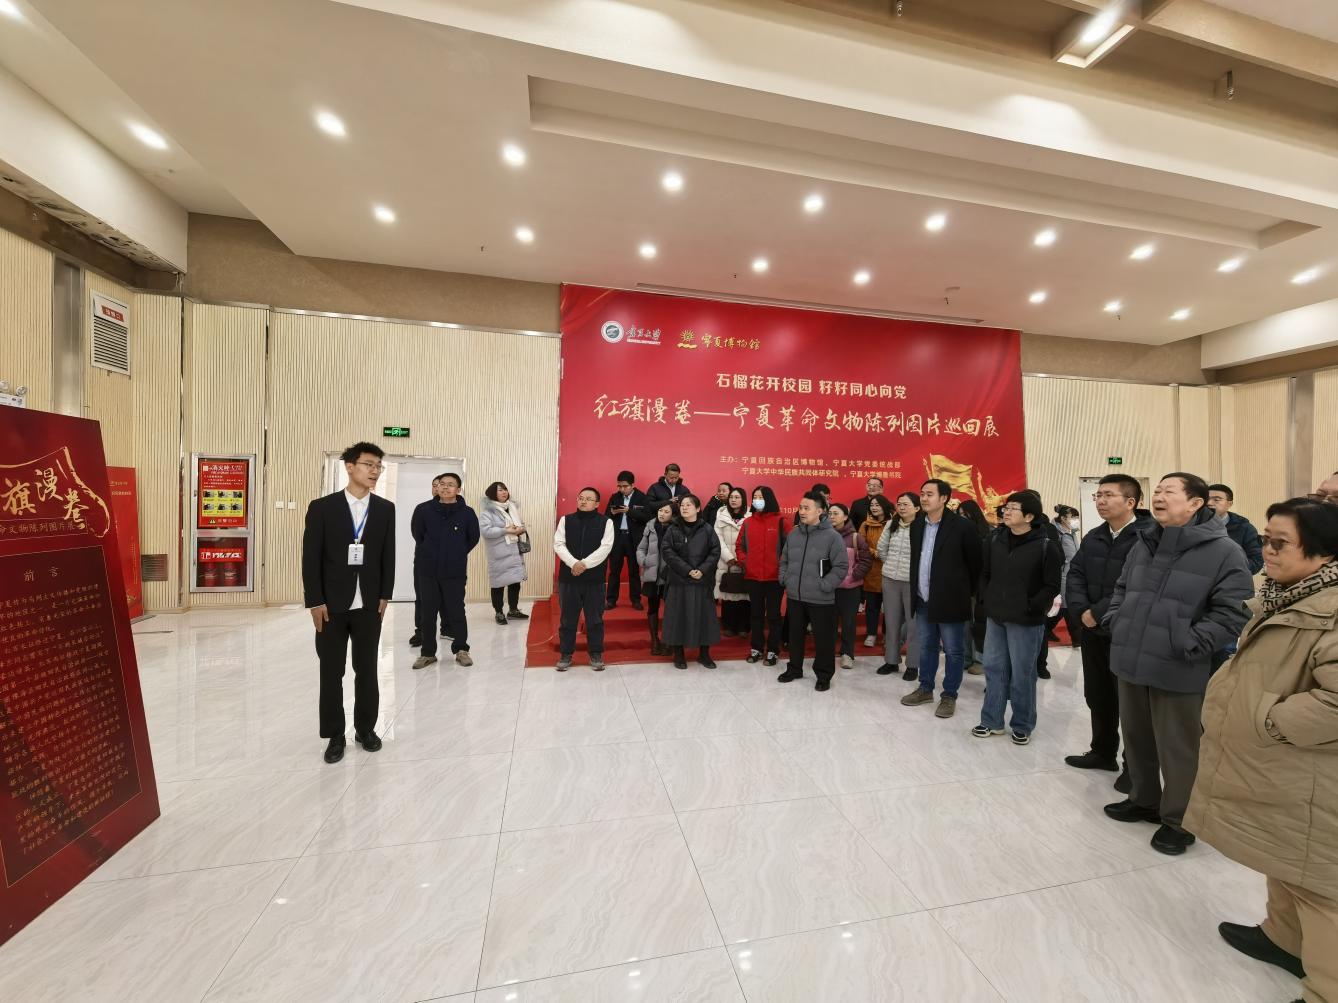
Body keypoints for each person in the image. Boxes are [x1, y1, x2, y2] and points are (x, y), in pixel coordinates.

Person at [1185, 498, 1338, 1003]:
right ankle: (1283, 939)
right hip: (1282, 766)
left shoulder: (1331, 609)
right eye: (1266, 540)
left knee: (1319, 886)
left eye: (1280, 543)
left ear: (1323, 551)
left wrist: (1268, 721)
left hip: (1312, 771)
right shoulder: (1286, 594)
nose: (1266, 550)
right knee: (1284, 859)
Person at [1101, 472, 1253, 856]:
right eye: (1157, 490)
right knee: (1136, 739)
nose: (1159, 496)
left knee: (1179, 748)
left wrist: (1189, 643)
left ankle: (1179, 821)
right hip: (1131, 657)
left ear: (1196, 503)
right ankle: (1144, 800)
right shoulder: (1145, 541)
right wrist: (1117, 620)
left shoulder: (1224, 551)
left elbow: (1232, 611)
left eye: (1169, 491)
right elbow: (1122, 587)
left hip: (1177, 665)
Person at [302, 442, 394, 764]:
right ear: (350, 467)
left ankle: (365, 730)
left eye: (378, 466)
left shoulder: (384, 509)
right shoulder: (322, 508)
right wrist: (315, 601)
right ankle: (335, 735)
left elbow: (388, 555)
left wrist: (384, 594)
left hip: (369, 604)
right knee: (331, 672)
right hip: (331, 605)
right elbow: (310, 558)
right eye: (369, 464)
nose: (375, 471)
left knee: (367, 669)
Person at [1064, 475, 1152, 789]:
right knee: (1098, 694)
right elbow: (1075, 573)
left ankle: (1135, 768)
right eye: (1098, 495)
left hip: (1127, 632)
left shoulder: (1149, 537)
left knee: (1131, 703)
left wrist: (1097, 612)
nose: (1100, 501)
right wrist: (1081, 610)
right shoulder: (1095, 536)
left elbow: (1138, 584)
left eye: (1108, 495)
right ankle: (1102, 752)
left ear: (1131, 502)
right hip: (1093, 633)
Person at [972, 491, 1062, 745]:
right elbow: (985, 573)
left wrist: (1031, 606)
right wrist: (987, 600)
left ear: (1029, 516)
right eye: (1006, 507)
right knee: (994, 668)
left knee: (1023, 673)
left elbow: (1051, 585)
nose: (1006, 512)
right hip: (996, 616)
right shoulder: (994, 539)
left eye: (1013, 508)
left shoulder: (1046, 545)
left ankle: (1022, 724)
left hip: (1025, 620)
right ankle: (991, 720)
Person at [900, 479, 983, 719]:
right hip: (923, 598)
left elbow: (976, 564)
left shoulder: (963, 527)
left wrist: (963, 593)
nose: (924, 498)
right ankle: (925, 688)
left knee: (954, 651)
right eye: (922, 494)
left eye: (930, 494)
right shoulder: (917, 525)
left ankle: (949, 696)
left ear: (944, 498)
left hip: (951, 599)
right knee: (927, 646)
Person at [778, 491, 847, 691]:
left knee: (824, 639)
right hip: (795, 596)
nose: (801, 511)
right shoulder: (794, 534)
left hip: (821, 598)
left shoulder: (832, 537)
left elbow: (841, 567)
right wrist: (785, 579)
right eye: (800, 507)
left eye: (806, 508)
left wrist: (825, 585)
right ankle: (794, 669)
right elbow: (784, 560)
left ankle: (824, 675)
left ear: (820, 511)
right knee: (795, 637)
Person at [411, 472, 480, 670]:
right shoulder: (423, 509)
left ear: (458, 489)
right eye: (442, 484)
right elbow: (418, 535)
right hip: (428, 570)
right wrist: (431, 552)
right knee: (427, 613)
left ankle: (461, 649)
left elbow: (472, 538)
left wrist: (456, 553)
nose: (445, 487)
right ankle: (427, 653)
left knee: (456, 611)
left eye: (450, 484)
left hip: (454, 571)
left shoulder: (467, 513)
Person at [554, 487, 614, 671]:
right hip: (569, 578)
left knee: (595, 619)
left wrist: (584, 564)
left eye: (588, 499)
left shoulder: (606, 522)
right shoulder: (566, 520)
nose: (583, 501)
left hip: (594, 579)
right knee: (567, 619)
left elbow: (606, 547)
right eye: (581, 498)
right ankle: (566, 654)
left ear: (597, 504)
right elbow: (559, 544)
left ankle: (596, 654)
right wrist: (573, 563)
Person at [661, 494, 721, 668]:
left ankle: (704, 655)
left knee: (705, 618)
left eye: (689, 505)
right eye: (682, 505)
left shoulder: (707, 529)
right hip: (679, 580)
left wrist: (702, 570)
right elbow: (667, 551)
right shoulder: (673, 528)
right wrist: (687, 570)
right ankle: (679, 655)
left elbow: (715, 551)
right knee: (677, 617)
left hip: (702, 580)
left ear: (698, 508)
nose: (684, 508)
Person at [738, 485, 786, 666]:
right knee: (756, 615)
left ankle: (773, 650)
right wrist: (746, 562)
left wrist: (781, 566)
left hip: (775, 579)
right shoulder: (748, 522)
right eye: (755, 497)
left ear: (769, 499)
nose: (757, 500)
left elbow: (789, 548)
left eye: (761, 497)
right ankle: (756, 648)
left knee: (773, 616)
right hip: (753, 577)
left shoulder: (781, 521)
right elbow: (739, 546)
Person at [875, 491, 920, 678]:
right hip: (890, 580)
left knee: (914, 625)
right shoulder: (891, 524)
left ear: (917, 508)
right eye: (899, 504)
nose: (901, 507)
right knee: (891, 622)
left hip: (913, 582)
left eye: (905, 504)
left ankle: (913, 665)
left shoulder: (922, 527)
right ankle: (891, 661)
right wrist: (891, 564)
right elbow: (881, 548)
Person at [1033, 503, 1080, 679]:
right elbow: (1060, 559)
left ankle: (1066, 636)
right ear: (1063, 518)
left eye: (1076, 517)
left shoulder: (1072, 533)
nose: (1075, 520)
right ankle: (1077, 639)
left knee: (1062, 610)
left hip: (1072, 576)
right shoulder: (1055, 532)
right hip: (1061, 578)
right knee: (1064, 609)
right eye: (1073, 517)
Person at [829, 502, 872, 670]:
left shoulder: (855, 537)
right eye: (829, 513)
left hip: (850, 589)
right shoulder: (824, 535)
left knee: (848, 623)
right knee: (829, 622)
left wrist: (853, 577)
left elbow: (866, 560)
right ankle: (827, 652)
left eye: (836, 513)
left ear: (845, 517)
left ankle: (847, 654)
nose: (832, 516)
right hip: (829, 588)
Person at [479, 481, 528, 626]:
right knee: (498, 584)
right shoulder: (488, 512)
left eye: (505, 489)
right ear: (492, 493)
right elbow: (485, 531)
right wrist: (506, 530)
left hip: (514, 551)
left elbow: (520, 524)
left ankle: (513, 610)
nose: (504, 492)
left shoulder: (511, 508)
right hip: (499, 553)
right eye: (500, 490)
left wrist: (521, 529)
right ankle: (499, 612)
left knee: (515, 582)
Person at [957, 499, 992, 676]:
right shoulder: (957, 533)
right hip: (962, 586)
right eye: (960, 515)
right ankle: (966, 657)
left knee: (979, 626)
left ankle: (980, 660)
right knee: (964, 624)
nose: (962, 518)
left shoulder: (988, 534)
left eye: (966, 514)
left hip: (980, 588)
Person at [637, 498, 676, 655]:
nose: (662, 514)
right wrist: (644, 561)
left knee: (671, 610)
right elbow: (641, 548)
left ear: (673, 514)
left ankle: (668, 641)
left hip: (669, 576)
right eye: (660, 510)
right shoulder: (650, 526)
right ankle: (654, 641)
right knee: (652, 608)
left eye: (666, 511)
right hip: (652, 575)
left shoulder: (677, 528)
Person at [604, 470, 648, 611]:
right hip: (617, 538)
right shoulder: (615, 497)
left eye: (625, 486)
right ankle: (611, 600)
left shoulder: (642, 497)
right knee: (614, 571)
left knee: (634, 571)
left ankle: (636, 600)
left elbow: (647, 517)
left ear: (632, 485)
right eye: (619, 486)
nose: (622, 489)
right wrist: (613, 513)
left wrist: (629, 511)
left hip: (633, 538)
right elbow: (606, 516)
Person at [409, 475, 441, 647]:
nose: (437, 488)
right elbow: (417, 534)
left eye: (441, 485)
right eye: (434, 485)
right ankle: (420, 631)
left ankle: (448, 628)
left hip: (450, 562)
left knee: (449, 598)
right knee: (422, 597)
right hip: (425, 560)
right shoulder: (422, 509)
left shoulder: (460, 509)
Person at [714, 486, 751, 637]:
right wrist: (728, 557)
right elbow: (717, 539)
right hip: (726, 561)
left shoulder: (751, 516)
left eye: (737, 497)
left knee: (744, 594)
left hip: (745, 561)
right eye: (731, 497)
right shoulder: (721, 515)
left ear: (743, 500)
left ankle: (744, 627)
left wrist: (743, 558)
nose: (733, 500)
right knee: (728, 593)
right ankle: (729, 626)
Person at [1207, 483, 1265, 575]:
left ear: (1229, 504)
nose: (1209, 503)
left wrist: (1228, 570)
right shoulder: (1193, 524)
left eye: (1216, 500)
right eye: (1207, 499)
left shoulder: (1244, 528)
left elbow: (1256, 561)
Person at [859, 495, 890, 649]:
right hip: (872, 571)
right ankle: (871, 634)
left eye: (877, 505)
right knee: (872, 606)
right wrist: (874, 552)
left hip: (890, 570)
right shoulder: (866, 525)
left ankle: (887, 635)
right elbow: (861, 544)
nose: (874, 507)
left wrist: (885, 553)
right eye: (872, 505)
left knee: (891, 608)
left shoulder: (894, 523)